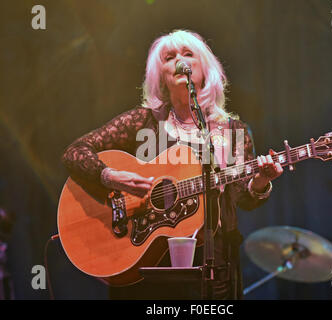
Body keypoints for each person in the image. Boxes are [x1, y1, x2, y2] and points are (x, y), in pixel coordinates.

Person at [62, 29, 283, 299]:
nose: (180, 61)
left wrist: (261, 182)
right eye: (169, 57)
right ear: (161, 76)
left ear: (205, 69)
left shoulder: (231, 131)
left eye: (188, 54)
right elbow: (75, 152)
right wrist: (110, 176)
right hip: (148, 266)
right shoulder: (142, 122)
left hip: (215, 269)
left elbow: (243, 198)